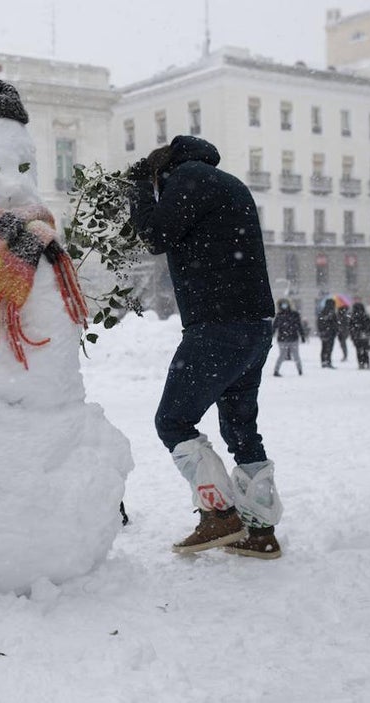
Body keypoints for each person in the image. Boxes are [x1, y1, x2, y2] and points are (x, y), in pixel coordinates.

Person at [126, 134, 283, 561]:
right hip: (255, 325)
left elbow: (156, 235)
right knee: (240, 428)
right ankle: (261, 529)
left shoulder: (188, 178)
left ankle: (220, 516)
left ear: (166, 171)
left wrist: (139, 188)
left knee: (173, 421)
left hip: (218, 326)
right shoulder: (227, 183)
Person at [272, 298, 305, 376]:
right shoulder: (279, 315)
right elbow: (274, 327)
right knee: (282, 355)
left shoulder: (295, 314)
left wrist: (302, 335)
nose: (284, 306)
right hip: (282, 339)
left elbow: (299, 326)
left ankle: (300, 370)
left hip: (293, 338)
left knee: (296, 355)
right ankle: (276, 370)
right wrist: (271, 335)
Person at [349, 302, 370, 369]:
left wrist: (353, 334)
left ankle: (361, 363)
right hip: (364, 336)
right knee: (365, 350)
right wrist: (367, 332)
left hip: (356, 336)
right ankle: (367, 362)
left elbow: (350, 327)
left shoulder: (353, 316)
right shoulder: (365, 315)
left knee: (358, 350)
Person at [317, 298, 338, 368]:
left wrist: (321, 331)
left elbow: (319, 323)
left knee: (324, 348)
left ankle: (324, 361)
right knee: (328, 348)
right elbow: (335, 323)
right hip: (330, 333)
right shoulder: (331, 312)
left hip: (326, 333)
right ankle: (327, 361)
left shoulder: (323, 312)